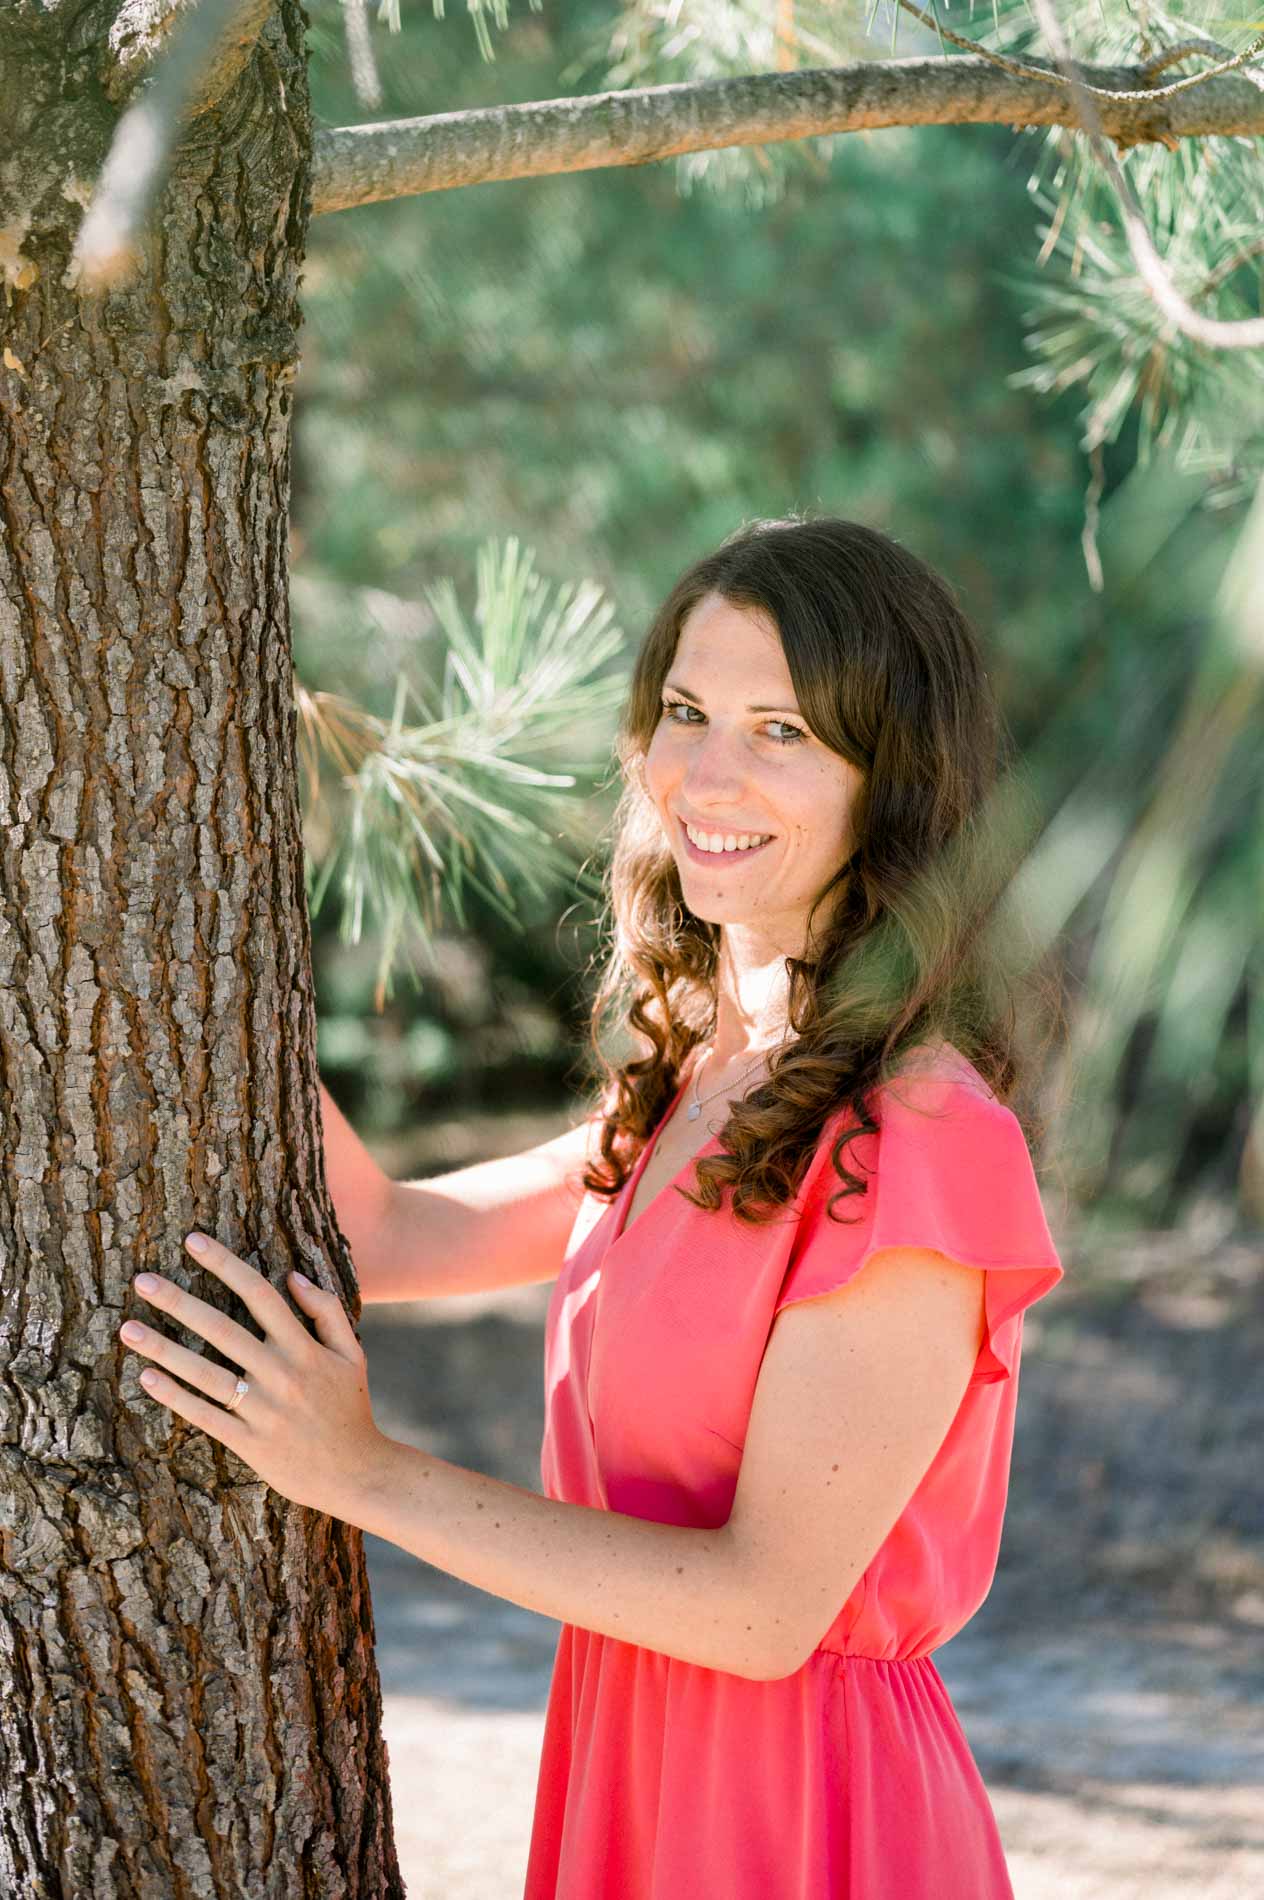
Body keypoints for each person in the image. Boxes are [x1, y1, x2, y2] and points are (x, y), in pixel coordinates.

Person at [313, 513, 1064, 1894]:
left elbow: (765, 1608)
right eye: (685, 711)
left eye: (782, 730)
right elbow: (388, 1233)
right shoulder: (700, 1083)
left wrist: (361, 1475)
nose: (706, 774)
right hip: (631, 1771)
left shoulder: (924, 1136)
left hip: (805, 1819)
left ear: (887, 781)